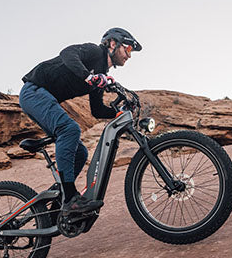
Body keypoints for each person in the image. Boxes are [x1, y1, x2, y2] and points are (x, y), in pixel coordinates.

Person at [19, 28, 142, 214]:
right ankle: (70, 198)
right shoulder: (94, 52)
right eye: (128, 49)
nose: (129, 55)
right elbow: (67, 53)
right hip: (33, 91)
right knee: (70, 130)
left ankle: (58, 202)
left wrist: (119, 111)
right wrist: (89, 76)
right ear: (113, 43)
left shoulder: (100, 74)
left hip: (42, 98)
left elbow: (96, 110)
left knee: (81, 153)